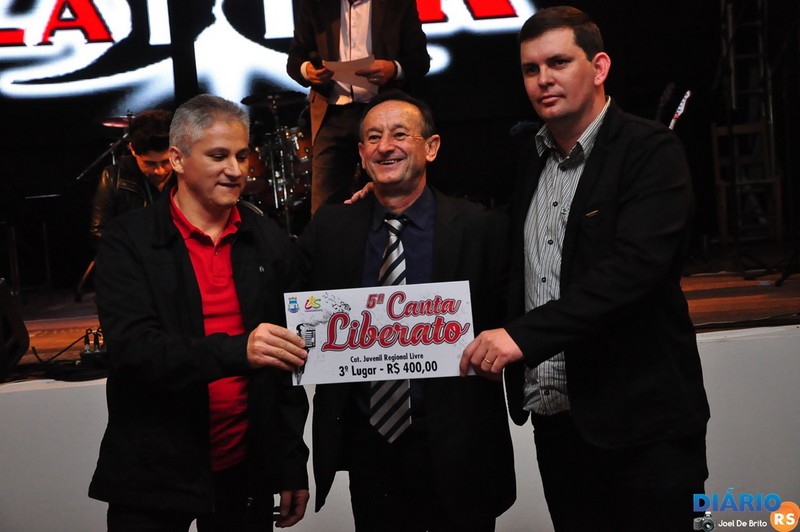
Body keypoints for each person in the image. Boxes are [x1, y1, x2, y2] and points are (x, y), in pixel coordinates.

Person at [460, 7, 710, 531]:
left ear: (599, 68)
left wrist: (521, 336)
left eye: (558, 62)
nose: (543, 79)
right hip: (559, 427)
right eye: (531, 69)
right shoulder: (531, 159)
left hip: (645, 429)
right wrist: (391, 201)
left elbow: (632, 272)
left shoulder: (650, 150)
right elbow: (507, 258)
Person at [294, 90, 515, 531]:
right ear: (361, 154)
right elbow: (295, 312)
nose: (385, 146)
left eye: (399, 134)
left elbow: (513, 317)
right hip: (370, 450)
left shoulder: (481, 228)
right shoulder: (331, 228)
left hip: (461, 446)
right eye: (373, 137)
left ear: (431, 147)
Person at [88, 94, 310, 531]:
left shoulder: (267, 240)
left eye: (242, 155)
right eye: (218, 156)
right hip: (153, 473)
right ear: (177, 159)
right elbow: (134, 350)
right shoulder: (128, 240)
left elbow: (286, 369)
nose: (236, 169)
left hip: (244, 473)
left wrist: (290, 464)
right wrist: (239, 351)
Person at [286, 0, 430, 214]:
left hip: (384, 116)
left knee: (393, 195)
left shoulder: (397, 4)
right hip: (333, 114)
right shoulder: (316, 5)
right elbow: (295, 59)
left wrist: (393, 68)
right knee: (325, 206)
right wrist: (307, 71)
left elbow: (420, 60)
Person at [89, 109, 175, 248]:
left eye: (166, 161)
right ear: (133, 149)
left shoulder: (190, 175)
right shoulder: (114, 176)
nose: (160, 171)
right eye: (150, 163)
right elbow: (99, 233)